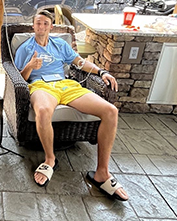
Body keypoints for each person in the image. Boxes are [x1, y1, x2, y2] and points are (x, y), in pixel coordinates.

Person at [14, 10, 129, 201]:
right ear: (33, 26)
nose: (41, 27)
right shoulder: (25, 48)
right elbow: (19, 78)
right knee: (42, 111)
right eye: (38, 23)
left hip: (65, 84)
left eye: (45, 24)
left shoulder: (60, 44)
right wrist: (30, 66)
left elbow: (80, 62)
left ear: (51, 26)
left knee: (110, 111)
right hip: (41, 86)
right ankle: (50, 159)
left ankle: (102, 172)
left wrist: (102, 72)